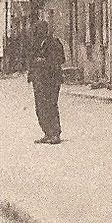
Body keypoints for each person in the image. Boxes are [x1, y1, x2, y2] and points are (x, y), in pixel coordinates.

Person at [26, 16, 65, 144]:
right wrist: (31, 74)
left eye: (39, 30)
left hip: (51, 79)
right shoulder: (35, 44)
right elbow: (30, 60)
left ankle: (55, 133)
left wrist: (43, 61)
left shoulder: (53, 43)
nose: (37, 33)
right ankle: (47, 132)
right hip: (38, 81)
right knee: (40, 107)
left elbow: (60, 59)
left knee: (51, 105)